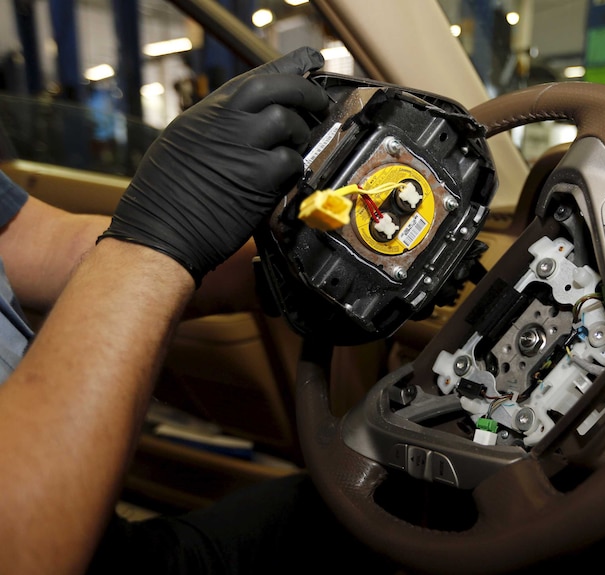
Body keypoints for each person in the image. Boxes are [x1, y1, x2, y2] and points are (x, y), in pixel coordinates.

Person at [0, 47, 393, 574]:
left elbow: (33, 244)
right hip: (38, 531)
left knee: (364, 507)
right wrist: (156, 239)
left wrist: (296, 265)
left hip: (84, 521)